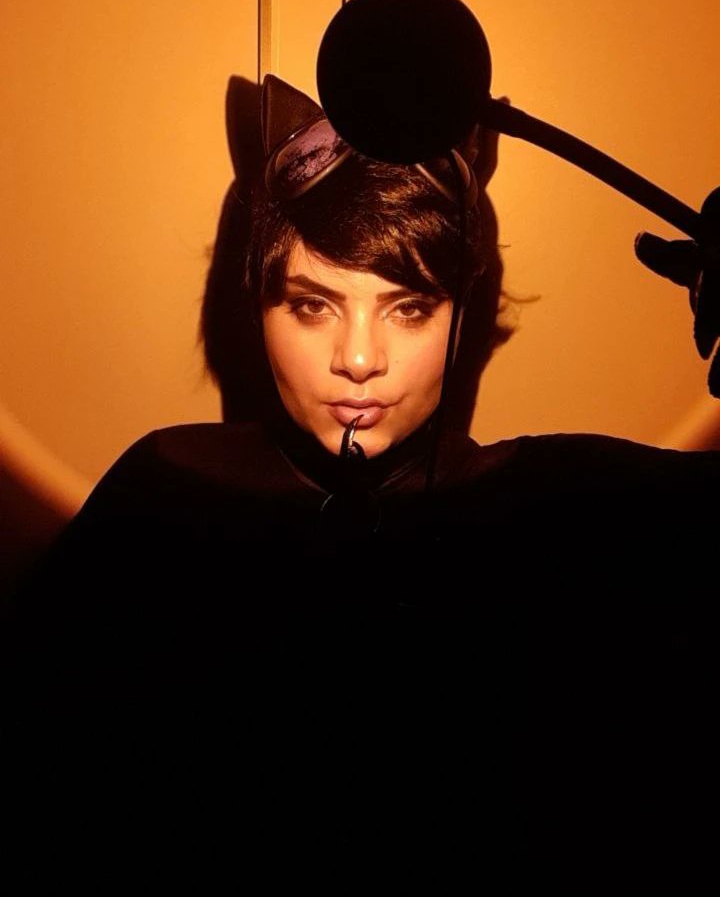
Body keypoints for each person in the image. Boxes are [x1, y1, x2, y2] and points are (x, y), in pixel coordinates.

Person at [2, 73, 718, 891]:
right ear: (256, 301)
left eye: (408, 307)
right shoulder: (163, 505)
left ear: (464, 310)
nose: (359, 359)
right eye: (313, 305)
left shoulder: (574, 514)